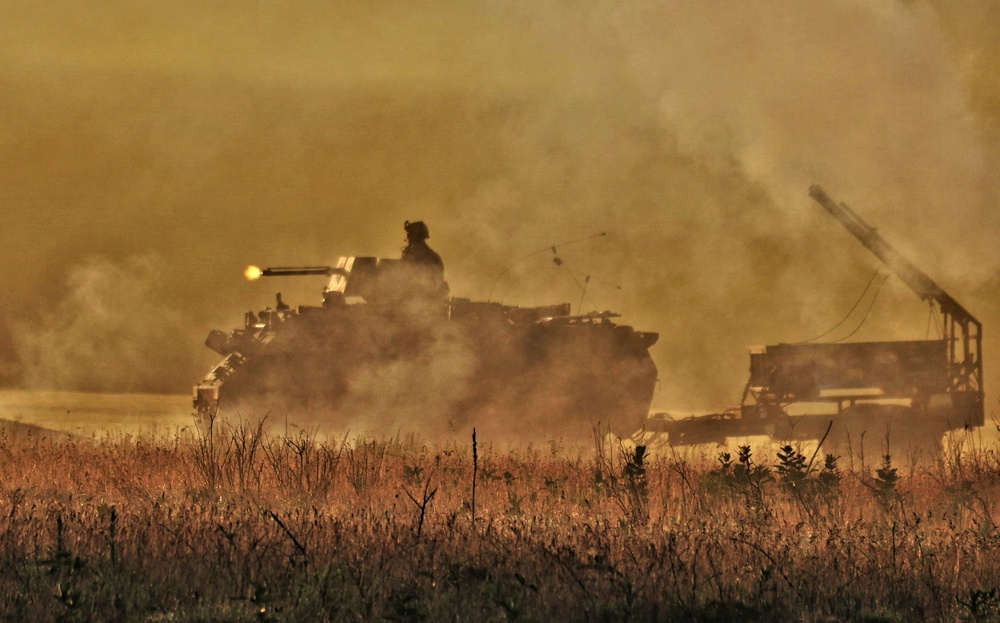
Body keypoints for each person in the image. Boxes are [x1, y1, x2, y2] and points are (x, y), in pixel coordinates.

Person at [400, 220, 449, 301]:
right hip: (429, 303)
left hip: (421, 302)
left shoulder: (414, 256)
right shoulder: (434, 256)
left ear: (415, 236)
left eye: (410, 235)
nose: (408, 239)